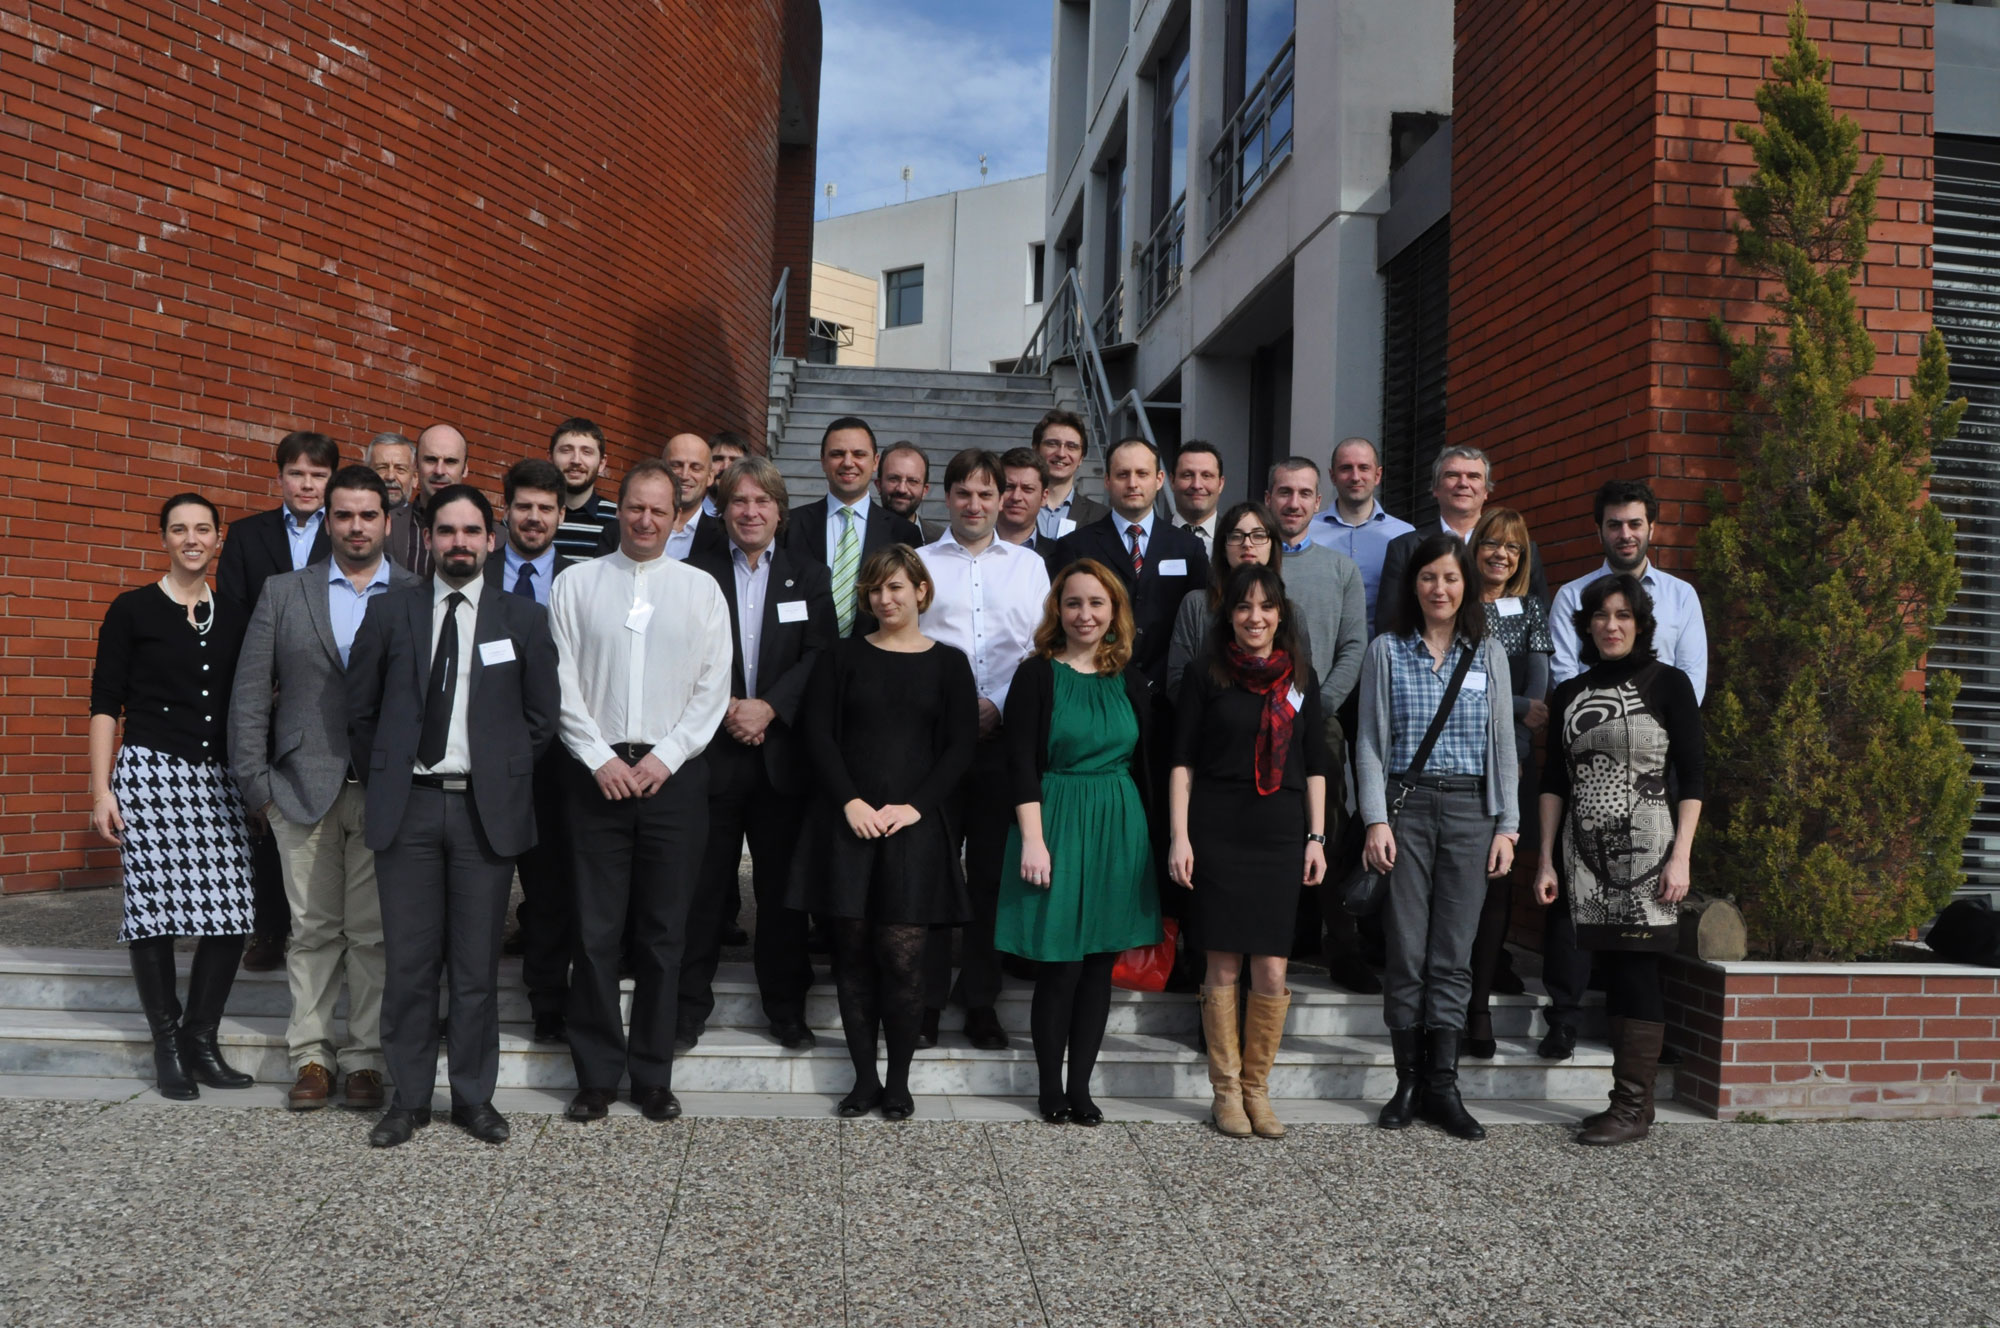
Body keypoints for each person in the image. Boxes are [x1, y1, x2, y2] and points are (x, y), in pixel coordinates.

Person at [347, 485, 561, 1148]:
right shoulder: (390, 613)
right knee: (409, 964)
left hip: (482, 815)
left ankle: (473, 1098)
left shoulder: (521, 619)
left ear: (490, 540)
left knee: (474, 968)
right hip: (406, 809)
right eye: (447, 531)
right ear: (428, 538)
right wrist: (388, 769)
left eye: (472, 531)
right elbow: (359, 711)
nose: (459, 543)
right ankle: (407, 1100)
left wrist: (495, 770)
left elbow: (541, 718)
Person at [229, 466, 421, 1111]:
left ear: (387, 523)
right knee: (311, 931)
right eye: (344, 515)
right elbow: (251, 692)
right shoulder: (285, 591)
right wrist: (257, 786)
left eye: (369, 515)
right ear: (326, 521)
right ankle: (311, 1056)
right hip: (299, 787)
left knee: (371, 934)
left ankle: (364, 1059)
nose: (357, 526)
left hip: (385, 792)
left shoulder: (416, 594)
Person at [547, 459, 733, 1125]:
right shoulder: (575, 585)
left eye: (660, 510)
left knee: (663, 934)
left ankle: (653, 1073)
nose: (646, 520)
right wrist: (598, 756)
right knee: (594, 934)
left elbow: (715, 685)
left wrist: (667, 756)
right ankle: (596, 1076)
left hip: (673, 782)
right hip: (595, 777)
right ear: (617, 509)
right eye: (635, 508)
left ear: (678, 516)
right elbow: (560, 682)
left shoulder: (702, 590)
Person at [789, 546, 978, 1120]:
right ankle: (864, 1079)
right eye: (875, 590)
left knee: (903, 958)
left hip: (911, 829)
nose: (885, 599)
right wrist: (849, 801)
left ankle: (899, 1080)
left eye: (896, 587)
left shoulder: (948, 663)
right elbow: (817, 735)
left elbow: (959, 746)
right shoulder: (841, 657)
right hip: (847, 825)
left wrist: (915, 807)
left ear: (921, 591)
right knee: (850, 956)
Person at [89, 493, 258, 1100]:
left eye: (203, 529)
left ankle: (200, 1039)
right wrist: (101, 789)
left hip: (220, 781)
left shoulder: (238, 613)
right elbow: (106, 704)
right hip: (153, 776)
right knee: (154, 915)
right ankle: (166, 1044)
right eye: (179, 529)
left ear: (218, 540)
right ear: (163, 538)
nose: (191, 538)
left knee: (232, 912)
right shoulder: (132, 609)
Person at [1355, 533, 1519, 1142]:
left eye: (1451, 578)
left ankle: (1443, 1084)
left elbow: (1503, 746)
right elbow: (1368, 743)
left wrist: (1509, 825)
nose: (1440, 589)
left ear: (1466, 585)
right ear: (1414, 585)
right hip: (1409, 809)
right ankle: (1407, 1080)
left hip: (1475, 810)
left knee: (1453, 952)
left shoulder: (1488, 654)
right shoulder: (1386, 651)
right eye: (1429, 578)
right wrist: (1375, 819)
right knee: (1407, 948)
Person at [1540, 477, 1709, 1059]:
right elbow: (1565, 680)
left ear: (1651, 528)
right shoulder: (1571, 596)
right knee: (1576, 900)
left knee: (1646, 908)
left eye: (1635, 523)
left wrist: (1651, 715)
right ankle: (1564, 1015)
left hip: (1659, 764)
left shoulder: (1681, 597)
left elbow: (1691, 683)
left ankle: (1635, 1056)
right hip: (1587, 763)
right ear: (1600, 529)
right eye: (1615, 523)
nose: (1626, 533)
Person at [1533, 574, 1703, 1145]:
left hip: (1650, 857)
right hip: (1583, 858)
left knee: (1636, 971)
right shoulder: (1570, 693)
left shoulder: (1668, 683)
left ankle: (1630, 1108)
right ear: (1586, 625)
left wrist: (1681, 856)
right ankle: (1633, 1106)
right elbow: (1554, 780)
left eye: (1623, 615)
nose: (1611, 625)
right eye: (1601, 616)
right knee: (1607, 970)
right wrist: (1547, 861)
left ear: (1640, 624)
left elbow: (1697, 777)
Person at [1168, 563, 1331, 1139]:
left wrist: (1316, 838)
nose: (1254, 617)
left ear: (1280, 614)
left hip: (1280, 832)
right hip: (1217, 827)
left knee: (1271, 965)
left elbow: (1315, 766)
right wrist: (1180, 836)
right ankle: (1226, 1093)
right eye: (1243, 607)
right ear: (1228, 615)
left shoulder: (1300, 679)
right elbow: (1182, 761)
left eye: (1265, 607)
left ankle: (1258, 1090)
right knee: (1223, 961)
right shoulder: (1204, 674)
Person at [997, 561, 1162, 1125]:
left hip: (1119, 825)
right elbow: (1018, 761)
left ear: (1114, 610)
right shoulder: (1036, 675)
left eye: (1096, 603)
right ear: (1056, 611)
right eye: (1073, 603)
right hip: (1056, 821)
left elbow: (1147, 765)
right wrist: (1033, 841)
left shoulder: (1131, 678)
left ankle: (1082, 1087)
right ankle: (1049, 1088)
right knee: (1060, 964)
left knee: (1098, 967)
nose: (1085, 614)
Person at [679, 458, 835, 1051]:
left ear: (779, 511)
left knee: (782, 893)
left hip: (781, 756)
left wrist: (768, 707)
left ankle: (786, 1008)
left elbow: (819, 655)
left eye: (762, 502)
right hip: (712, 752)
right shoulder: (694, 573)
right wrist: (726, 709)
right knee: (702, 889)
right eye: (739, 502)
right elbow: (683, 656)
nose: (750, 512)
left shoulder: (809, 575)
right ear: (724, 510)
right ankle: (687, 1006)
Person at [915, 450, 1051, 1050]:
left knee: (992, 878)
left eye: (986, 494)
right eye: (963, 494)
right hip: (932, 747)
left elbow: (1038, 648)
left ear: (1003, 500)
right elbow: (904, 642)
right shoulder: (918, 564)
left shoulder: (1030, 567)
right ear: (946, 497)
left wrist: (993, 700)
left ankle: (980, 1001)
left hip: (1003, 744)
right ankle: (922, 999)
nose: (975, 505)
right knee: (932, 873)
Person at [1262, 458, 1370, 989]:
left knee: (1325, 826)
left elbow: (1354, 646)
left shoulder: (1340, 570)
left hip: (1318, 718)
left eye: (1305, 493)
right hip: (1252, 722)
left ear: (1318, 503)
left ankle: (1342, 945)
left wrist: (1319, 706)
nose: (1294, 502)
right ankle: (1281, 935)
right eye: (1285, 492)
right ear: (1268, 497)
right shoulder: (1250, 565)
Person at [485, 460, 577, 1042]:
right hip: (483, 758)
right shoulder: (475, 573)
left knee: (550, 892)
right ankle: (466, 1007)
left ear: (562, 515)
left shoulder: (583, 579)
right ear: (507, 511)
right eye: (524, 507)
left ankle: (548, 1001)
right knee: (477, 892)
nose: (535, 518)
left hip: (559, 762)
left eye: (546, 508)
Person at [1463, 506, 1552, 1058]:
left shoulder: (1530, 612)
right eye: (1492, 543)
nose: (1501, 554)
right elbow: (1450, 691)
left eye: (1513, 548)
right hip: (1451, 763)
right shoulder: (1454, 603)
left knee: (1496, 883)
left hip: (1509, 764)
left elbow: (1537, 705)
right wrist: (1508, 703)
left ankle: (1478, 1009)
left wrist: (1504, 708)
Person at [1053, 437, 1209, 693]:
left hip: (1167, 692)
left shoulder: (1188, 548)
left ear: (1159, 480)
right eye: (1123, 474)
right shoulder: (1075, 546)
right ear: (1107, 481)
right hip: (1097, 686)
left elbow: (1195, 623)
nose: (1133, 483)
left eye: (1142, 474)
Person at [1373, 446, 1547, 636]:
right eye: (1452, 475)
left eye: (1473, 476)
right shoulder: (1404, 548)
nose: (1463, 483)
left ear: (1486, 490)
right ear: (1435, 488)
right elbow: (1390, 621)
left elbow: (1541, 620)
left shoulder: (1522, 550)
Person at [781, 416, 923, 636]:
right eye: (837, 454)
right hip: (804, 657)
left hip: (875, 659)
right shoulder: (791, 524)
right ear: (823, 461)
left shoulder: (903, 533)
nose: (848, 462)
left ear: (875, 462)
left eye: (859, 454)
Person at [1165, 501, 1282, 701]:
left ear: (1273, 545)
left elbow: (1300, 683)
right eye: (1236, 536)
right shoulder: (1196, 605)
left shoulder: (1288, 609)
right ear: (1223, 546)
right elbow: (1177, 684)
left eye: (1259, 535)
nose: (1247, 543)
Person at [1309, 437, 1414, 630]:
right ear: (1332, 476)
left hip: (1385, 653)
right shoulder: (1308, 532)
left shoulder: (1405, 535)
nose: (1355, 477)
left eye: (1364, 468)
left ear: (1378, 475)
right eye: (1346, 468)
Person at [389, 423, 471, 576]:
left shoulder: (495, 537)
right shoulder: (386, 526)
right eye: (431, 460)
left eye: (450, 461)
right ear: (415, 464)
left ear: (465, 468)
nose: (439, 470)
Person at [550, 417, 620, 560]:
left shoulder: (619, 518)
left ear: (602, 463)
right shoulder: (529, 514)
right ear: (550, 458)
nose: (576, 460)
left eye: (586, 452)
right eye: (566, 450)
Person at [1033, 409, 1107, 539]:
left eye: (1071, 446)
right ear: (1036, 448)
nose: (1061, 454)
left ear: (1081, 458)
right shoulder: (1011, 508)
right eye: (1052, 444)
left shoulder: (1101, 517)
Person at [996, 446, 1066, 574]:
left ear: (1044, 497)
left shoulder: (1061, 557)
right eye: (1009, 487)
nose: (1016, 497)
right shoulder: (972, 549)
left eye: (1027, 489)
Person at [661, 432, 724, 560]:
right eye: (676, 465)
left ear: (710, 476)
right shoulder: (626, 530)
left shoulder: (724, 539)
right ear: (661, 469)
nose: (684, 475)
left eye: (695, 468)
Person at [1169, 440, 1226, 564]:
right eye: (1187, 475)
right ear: (1172, 481)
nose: (1197, 485)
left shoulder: (1235, 538)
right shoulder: (1152, 538)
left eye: (1206, 476)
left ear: (1220, 484)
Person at [877, 441, 933, 541]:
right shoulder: (860, 534)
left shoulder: (939, 540)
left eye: (912, 481)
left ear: (925, 490)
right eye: (893, 479)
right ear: (878, 485)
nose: (902, 489)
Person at [365, 431, 418, 512]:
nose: (390, 477)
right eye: (382, 468)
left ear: (414, 478)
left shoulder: (425, 523)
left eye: (400, 469)